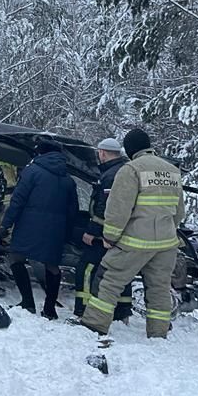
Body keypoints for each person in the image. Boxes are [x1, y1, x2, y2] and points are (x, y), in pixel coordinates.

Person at [80, 128, 185, 339]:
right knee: (159, 288)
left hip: (135, 241)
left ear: (129, 150)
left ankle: (95, 325)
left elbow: (118, 208)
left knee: (109, 279)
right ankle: (158, 333)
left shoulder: (131, 170)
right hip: (166, 243)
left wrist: (110, 237)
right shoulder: (172, 171)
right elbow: (179, 211)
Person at [0, 137, 78, 319]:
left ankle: (28, 302)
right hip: (55, 229)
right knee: (52, 265)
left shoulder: (32, 171)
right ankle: (50, 309)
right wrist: (67, 232)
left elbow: (17, 200)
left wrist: (6, 224)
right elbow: (73, 210)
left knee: (16, 258)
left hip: (29, 225)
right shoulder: (68, 179)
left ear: (40, 152)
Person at [72, 138, 133, 321]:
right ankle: (123, 310)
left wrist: (92, 231)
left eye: (99, 153)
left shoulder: (110, 176)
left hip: (105, 233)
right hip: (123, 232)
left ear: (103, 153)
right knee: (119, 271)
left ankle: (82, 309)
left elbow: (104, 207)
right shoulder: (124, 171)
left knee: (86, 268)